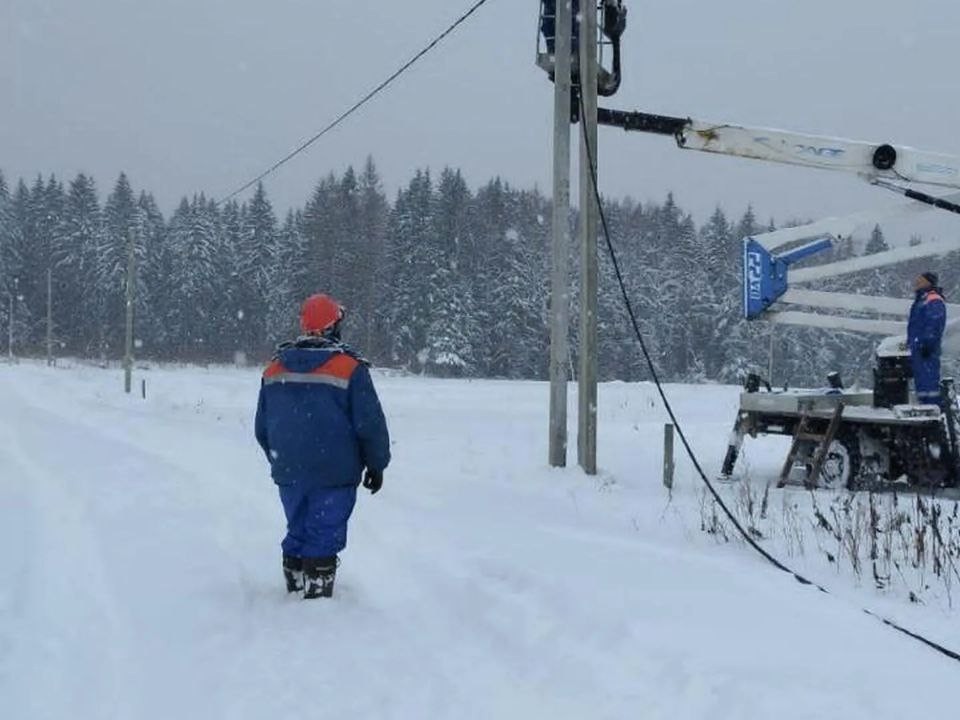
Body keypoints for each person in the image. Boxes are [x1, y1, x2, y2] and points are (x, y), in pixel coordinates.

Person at [255, 294, 390, 599]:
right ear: (333, 325)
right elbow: (369, 423)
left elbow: (262, 428)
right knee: (324, 532)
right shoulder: (349, 369)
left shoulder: (274, 369)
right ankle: (316, 602)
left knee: (298, 528)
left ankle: (294, 586)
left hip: (289, 470)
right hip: (334, 471)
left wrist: (283, 458)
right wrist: (376, 464)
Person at [907, 271, 947, 406]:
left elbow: (935, 323)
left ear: (929, 282)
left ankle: (933, 409)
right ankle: (925, 407)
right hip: (919, 347)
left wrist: (927, 343)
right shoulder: (921, 300)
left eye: (920, 280)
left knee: (928, 381)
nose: (916, 282)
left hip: (926, 348)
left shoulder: (932, 299)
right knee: (922, 381)